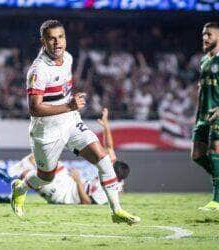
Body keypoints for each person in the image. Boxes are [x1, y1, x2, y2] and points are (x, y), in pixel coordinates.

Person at [11, 20, 139, 225]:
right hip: (47, 130)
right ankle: (20, 187)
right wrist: (69, 106)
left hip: (70, 122)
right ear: (43, 41)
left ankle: (117, 211)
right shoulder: (38, 70)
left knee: (103, 158)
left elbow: (63, 92)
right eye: (51, 38)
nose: (57, 42)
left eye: (60, 37)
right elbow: (34, 108)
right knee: (46, 177)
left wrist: (70, 103)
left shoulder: (68, 58)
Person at [0, 108, 130, 205]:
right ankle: (10, 178)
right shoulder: (113, 171)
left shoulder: (109, 189)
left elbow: (86, 202)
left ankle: (12, 182)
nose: (109, 165)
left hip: (65, 195)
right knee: (42, 158)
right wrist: (106, 126)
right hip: (68, 182)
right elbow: (110, 148)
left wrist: (78, 181)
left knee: (32, 175)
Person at [191, 22, 219, 211]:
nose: (205, 38)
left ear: (218, 37)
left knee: (215, 151)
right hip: (203, 115)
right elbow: (203, 88)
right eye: (203, 34)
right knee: (197, 155)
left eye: (208, 34)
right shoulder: (203, 61)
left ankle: (217, 201)